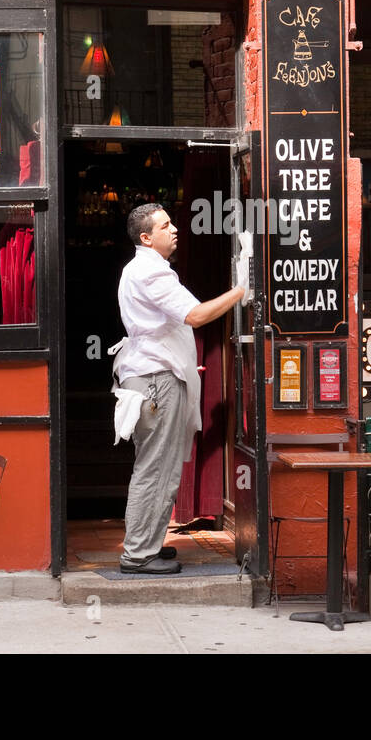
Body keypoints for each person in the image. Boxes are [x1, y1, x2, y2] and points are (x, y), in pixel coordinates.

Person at [111, 203, 245, 574]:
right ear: (146, 237)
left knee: (160, 465)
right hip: (156, 380)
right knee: (156, 467)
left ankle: (147, 544)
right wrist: (241, 291)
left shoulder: (141, 269)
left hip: (151, 375)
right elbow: (196, 315)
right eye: (165, 226)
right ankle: (138, 554)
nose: (174, 230)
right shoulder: (152, 273)